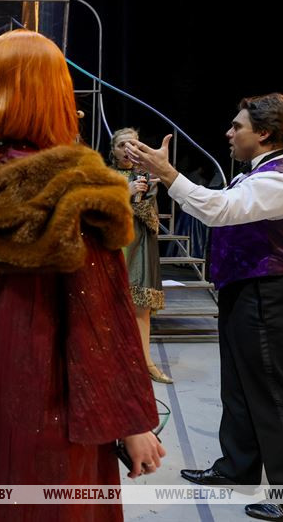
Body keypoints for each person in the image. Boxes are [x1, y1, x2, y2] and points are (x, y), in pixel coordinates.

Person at [0, 30, 165, 521]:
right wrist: (132, 421)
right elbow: (99, 319)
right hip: (50, 396)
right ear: (53, 96)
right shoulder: (74, 190)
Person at [125, 93, 283, 522]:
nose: (229, 133)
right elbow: (214, 206)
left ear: (263, 133)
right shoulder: (258, 174)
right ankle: (238, 466)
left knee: (270, 392)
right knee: (239, 385)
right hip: (243, 290)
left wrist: (168, 173)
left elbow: (218, 210)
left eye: (237, 126)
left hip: (267, 293)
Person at [109, 127, 173, 384]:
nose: (128, 150)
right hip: (113, 244)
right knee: (109, 306)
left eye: (133, 145)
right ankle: (111, 364)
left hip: (140, 244)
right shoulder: (104, 175)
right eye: (122, 145)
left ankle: (145, 361)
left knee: (141, 308)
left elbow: (152, 219)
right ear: (113, 151)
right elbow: (98, 210)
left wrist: (138, 196)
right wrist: (125, 192)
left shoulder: (147, 175)